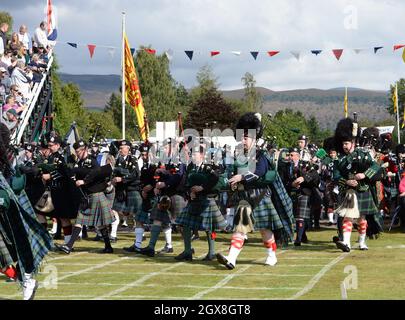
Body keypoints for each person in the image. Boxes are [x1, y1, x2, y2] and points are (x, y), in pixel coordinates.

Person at [216, 113, 295, 270]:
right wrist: (232, 182)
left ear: (254, 138)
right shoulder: (240, 155)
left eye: (246, 138)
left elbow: (258, 173)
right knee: (240, 228)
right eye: (242, 137)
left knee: (265, 230)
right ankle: (231, 259)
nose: (243, 141)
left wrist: (241, 177)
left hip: (260, 197)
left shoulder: (261, 155)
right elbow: (234, 173)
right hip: (245, 197)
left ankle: (272, 256)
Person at [0, 123, 53, 300]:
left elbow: (11, 187)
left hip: (7, 211)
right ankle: (24, 280)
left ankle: (27, 279)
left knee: (22, 243)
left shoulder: (7, 160)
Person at [55, 140, 115, 254]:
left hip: (96, 194)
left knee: (92, 222)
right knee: (87, 221)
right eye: (76, 151)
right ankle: (107, 246)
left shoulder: (92, 161)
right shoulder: (80, 162)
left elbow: (96, 172)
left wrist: (84, 181)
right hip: (88, 195)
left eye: (78, 151)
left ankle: (69, 246)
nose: (77, 153)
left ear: (85, 150)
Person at [333, 118, 383, 252]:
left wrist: (365, 174)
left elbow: (376, 167)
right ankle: (346, 243)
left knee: (362, 218)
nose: (345, 146)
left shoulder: (363, 154)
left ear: (353, 142)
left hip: (364, 189)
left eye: (347, 143)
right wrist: (347, 181)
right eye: (343, 143)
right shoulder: (341, 159)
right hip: (350, 190)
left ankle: (362, 242)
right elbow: (336, 176)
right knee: (348, 216)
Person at [175, 141, 227, 261]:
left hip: (208, 199)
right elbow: (187, 182)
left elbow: (215, 179)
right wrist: (190, 192)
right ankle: (187, 251)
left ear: (202, 155)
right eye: (192, 154)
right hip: (194, 200)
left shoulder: (209, 166)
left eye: (195, 154)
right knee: (185, 224)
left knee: (209, 227)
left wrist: (202, 188)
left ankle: (211, 253)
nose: (193, 156)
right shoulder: (190, 167)